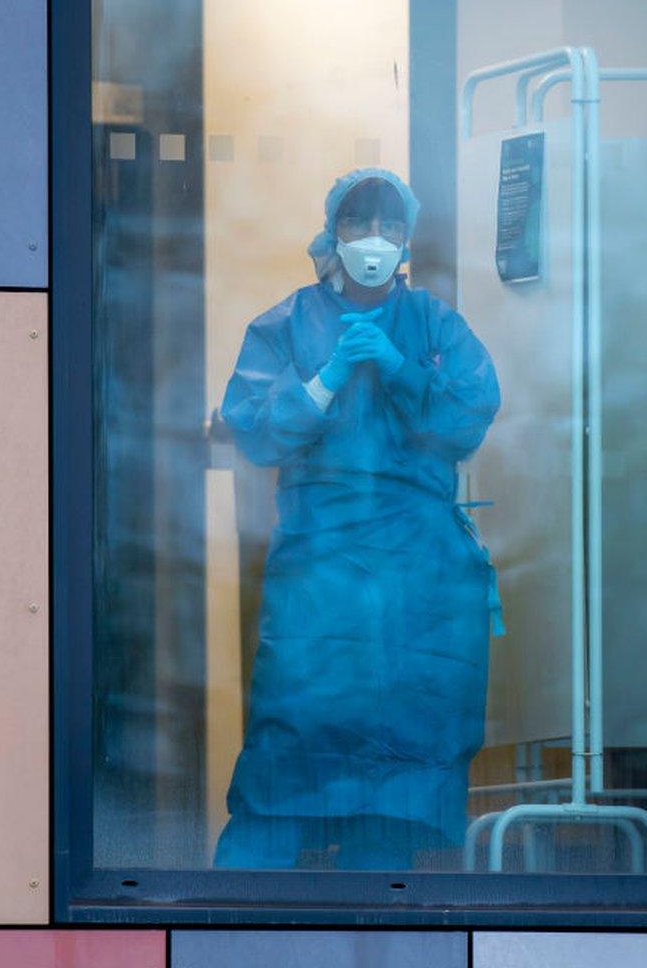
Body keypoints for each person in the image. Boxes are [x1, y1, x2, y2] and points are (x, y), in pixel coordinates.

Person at [214, 167, 501, 870]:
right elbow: (253, 430)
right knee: (290, 749)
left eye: (389, 227)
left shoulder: (435, 325)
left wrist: (401, 367)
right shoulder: (283, 326)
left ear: (405, 238)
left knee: (394, 791)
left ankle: (373, 935)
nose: (374, 240)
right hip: (321, 572)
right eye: (357, 225)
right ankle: (231, 927)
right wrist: (326, 376)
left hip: (418, 578)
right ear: (332, 234)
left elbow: (468, 418)